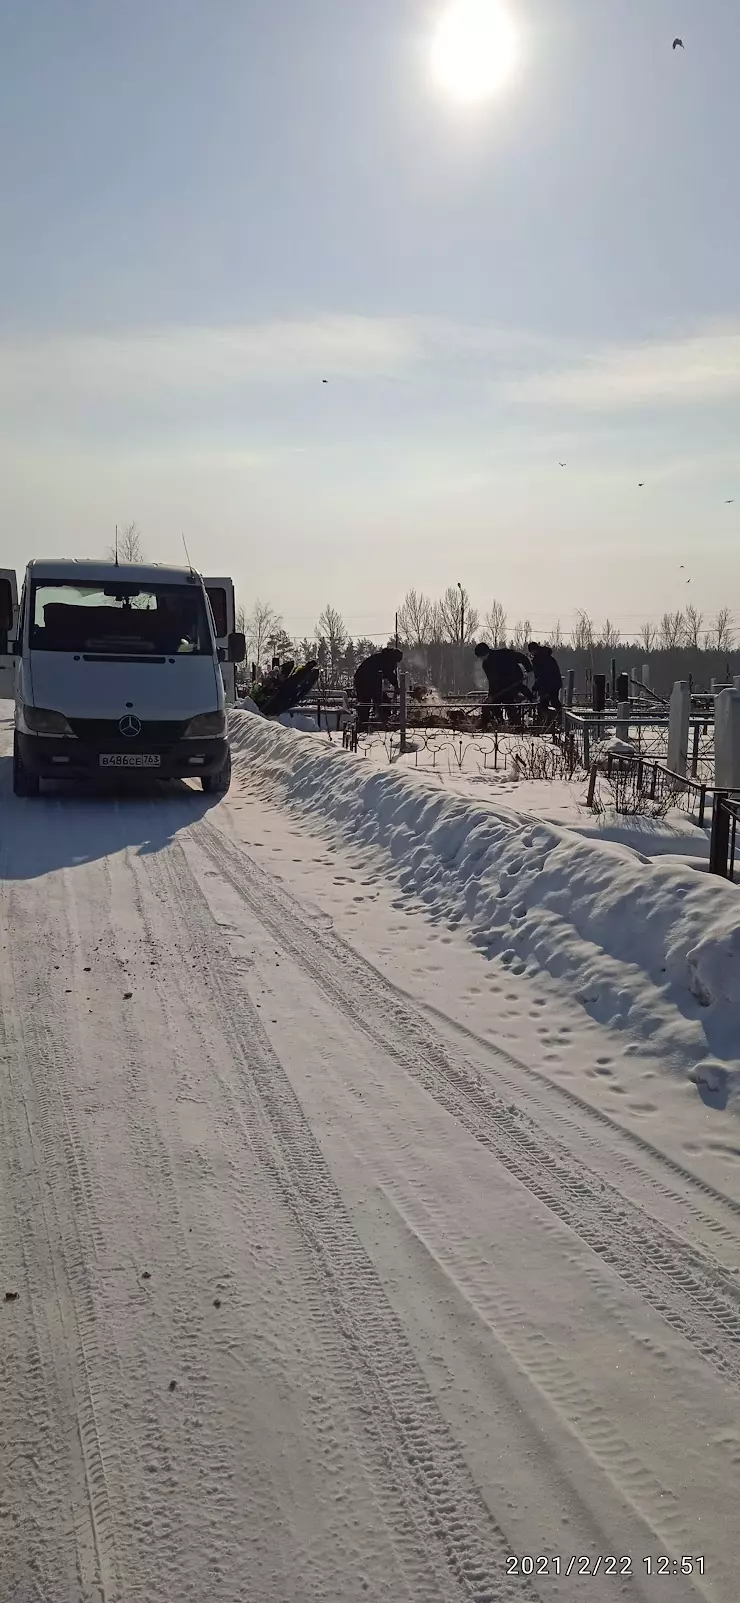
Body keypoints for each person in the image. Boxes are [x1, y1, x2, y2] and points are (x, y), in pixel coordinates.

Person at [474, 642, 532, 727]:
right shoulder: (486, 664)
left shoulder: (504, 654)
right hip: (500, 687)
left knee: (508, 702)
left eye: (481, 657)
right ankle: (499, 723)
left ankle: (515, 725)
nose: (480, 659)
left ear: (485, 653)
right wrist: (491, 695)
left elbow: (522, 658)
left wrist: (529, 670)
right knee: (494, 704)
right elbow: (492, 681)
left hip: (514, 682)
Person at [354, 647, 403, 731]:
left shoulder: (382, 657)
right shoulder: (386, 660)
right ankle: (378, 723)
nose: (396, 664)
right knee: (374, 702)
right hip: (366, 681)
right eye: (396, 661)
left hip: (365, 680)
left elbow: (389, 674)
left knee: (370, 703)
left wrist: (396, 685)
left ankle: (365, 724)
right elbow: (389, 674)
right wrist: (396, 686)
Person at [528, 641, 562, 724]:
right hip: (555, 684)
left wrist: (536, 687)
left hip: (547, 685)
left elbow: (541, 676)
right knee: (554, 701)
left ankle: (546, 722)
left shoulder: (538, 660)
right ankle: (559, 717)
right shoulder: (548, 657)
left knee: (543, 706)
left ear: (533, 651)